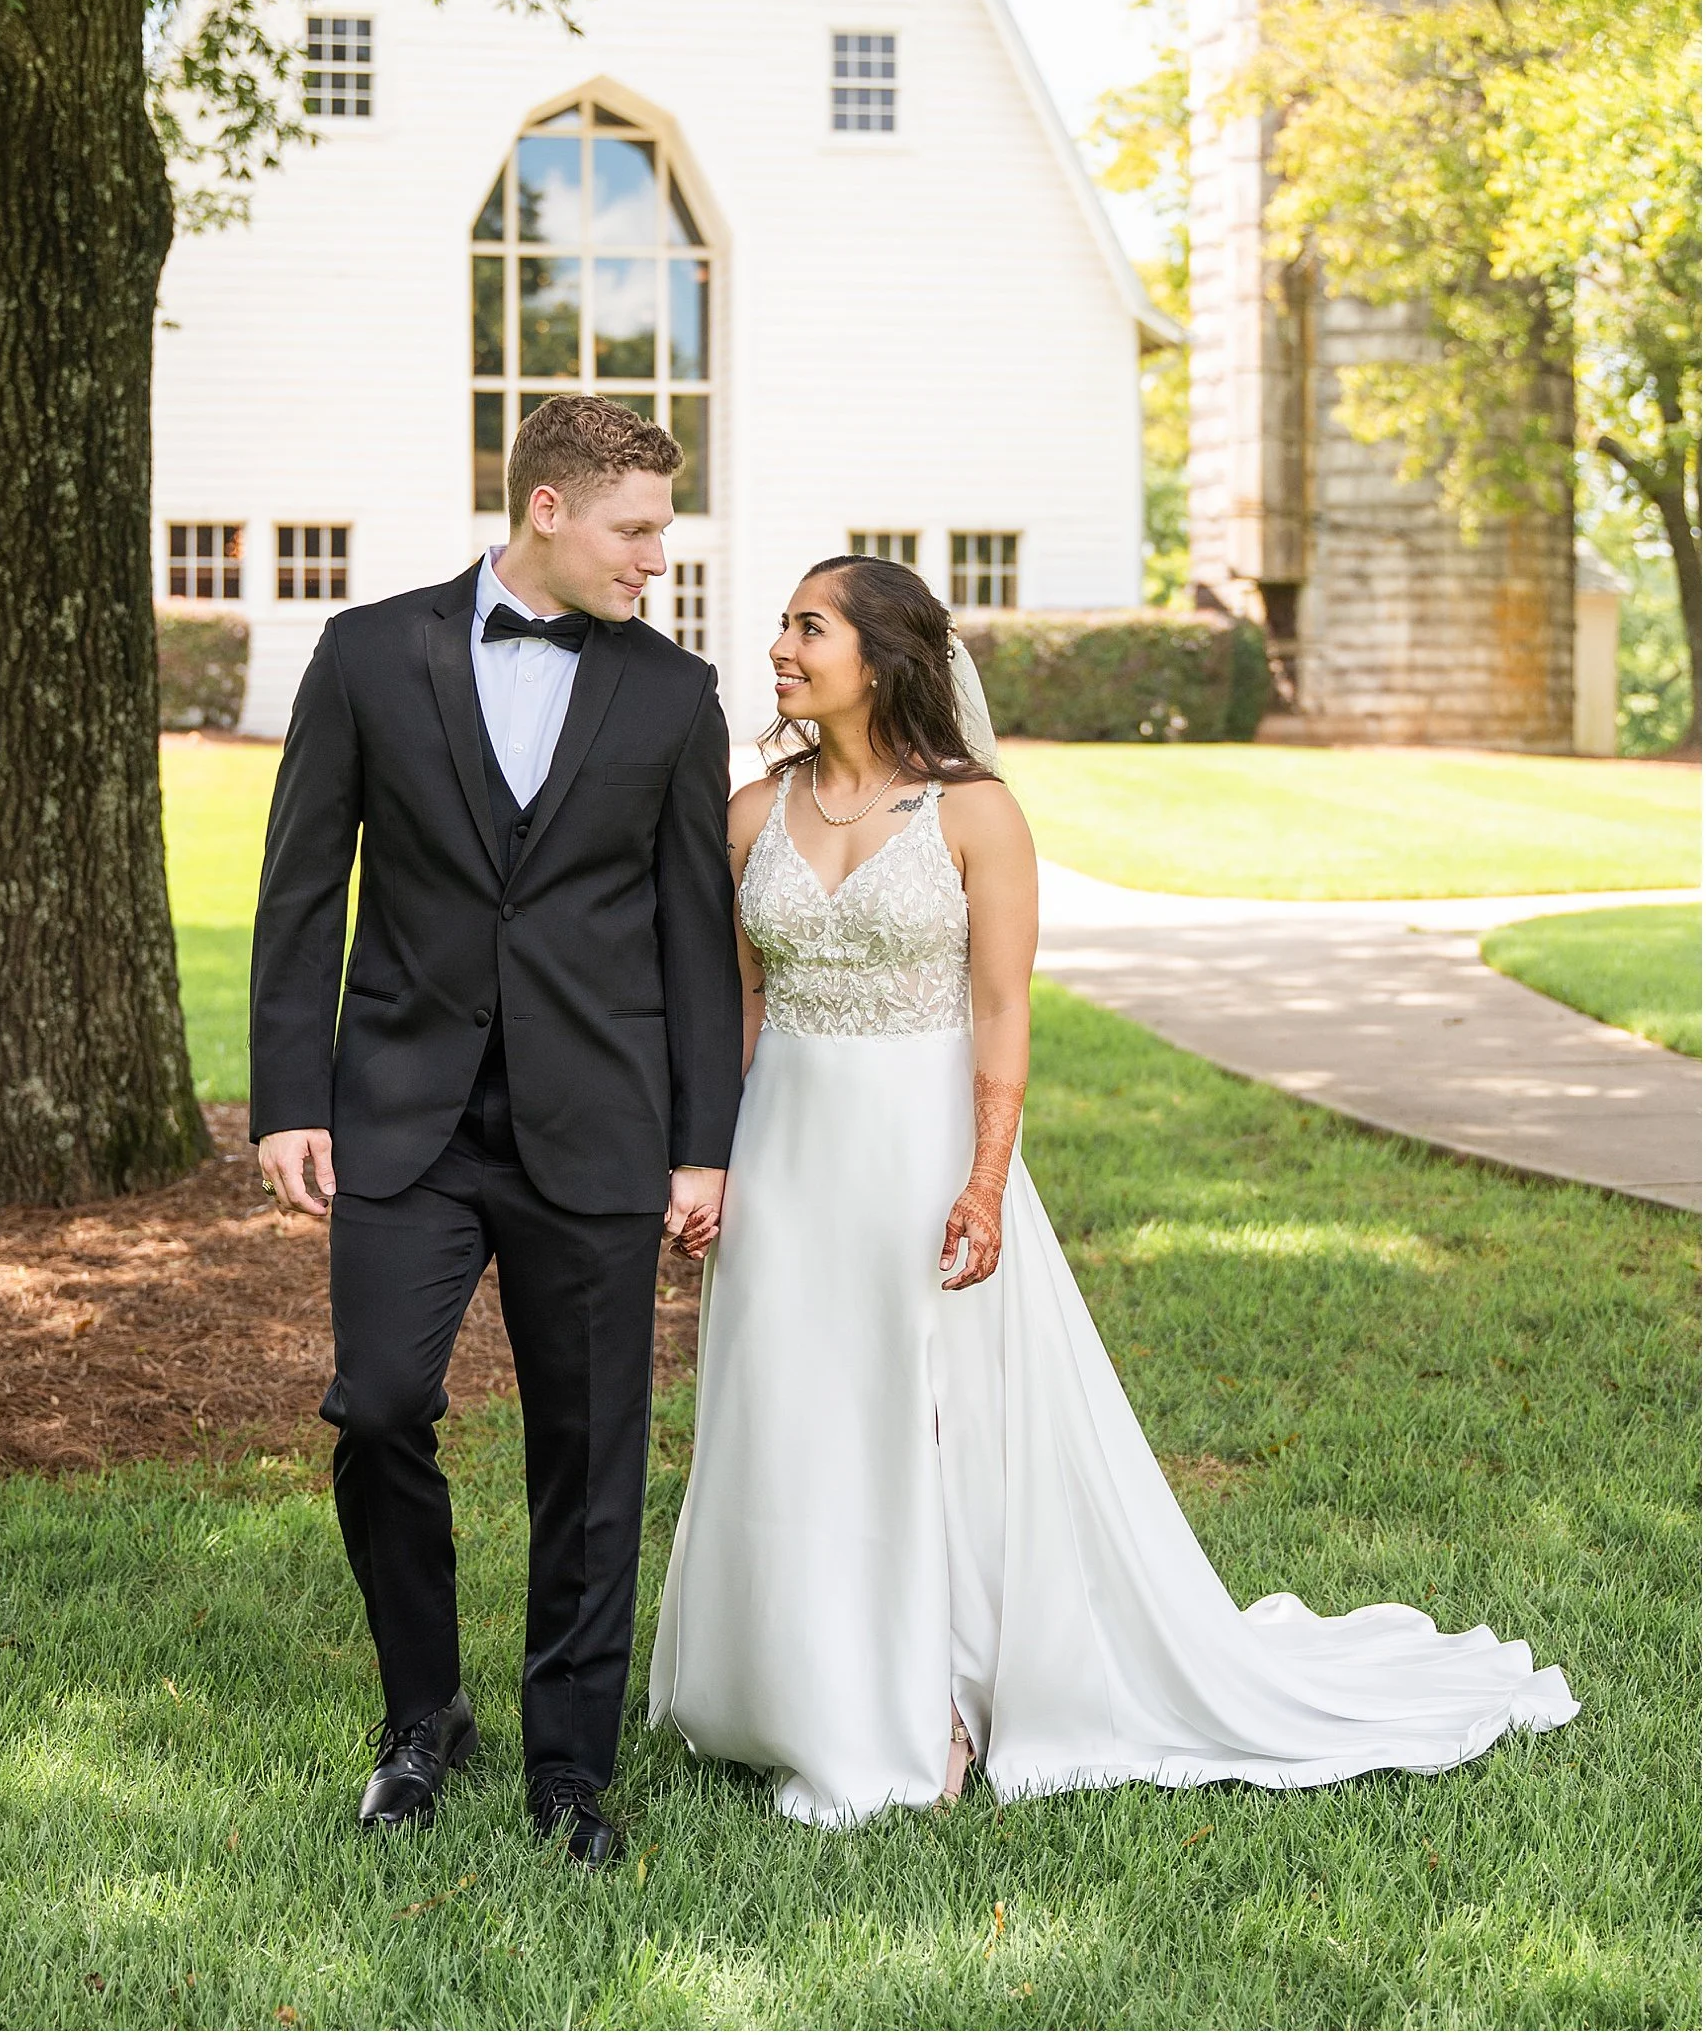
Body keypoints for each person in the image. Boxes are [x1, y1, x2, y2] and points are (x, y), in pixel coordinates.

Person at [649, 554, 1578, 1825]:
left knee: (930, 1419)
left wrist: (984, 1180)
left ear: (884, 656)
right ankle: (797, 1683)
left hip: (918, 1146)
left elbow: (999, 1012)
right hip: (786, 1150)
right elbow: (742, 1003)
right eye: (782, 626)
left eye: (808, 628)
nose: (780, 648)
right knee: (794, 1406)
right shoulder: (753, 810)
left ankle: (938, 1702)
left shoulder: (975, 814)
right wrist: (708, 1157)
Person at [251, 395, 739, 1864]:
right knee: (378, 1404)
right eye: (635, 528)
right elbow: (300, 887)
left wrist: (701, 1142)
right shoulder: (367, 654)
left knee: (589, 1453)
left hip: (597, 1124)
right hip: (404, 1119)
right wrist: (290, 1098)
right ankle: (422, 1715)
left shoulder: (676, 692)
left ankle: (570, 1767)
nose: (657, 555)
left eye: (661, 529)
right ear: (547, 508)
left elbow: (694, 933)